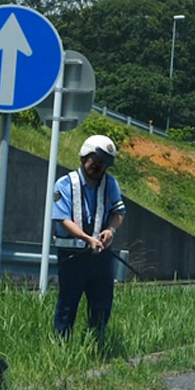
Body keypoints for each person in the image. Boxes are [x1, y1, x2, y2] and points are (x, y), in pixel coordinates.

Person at [52, 134, 126, 341]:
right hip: (72, 255)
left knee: (102, 304)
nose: (98, 166)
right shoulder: (65, 184)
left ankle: (96, 344)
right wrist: (87, 238)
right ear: (85, 156)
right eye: (95, 160)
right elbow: (62, 219)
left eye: (103, 163)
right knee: (67, 305)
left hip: (101, 255)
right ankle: (61, 346)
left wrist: (110, 230)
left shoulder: (110, 184)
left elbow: (119, 212)